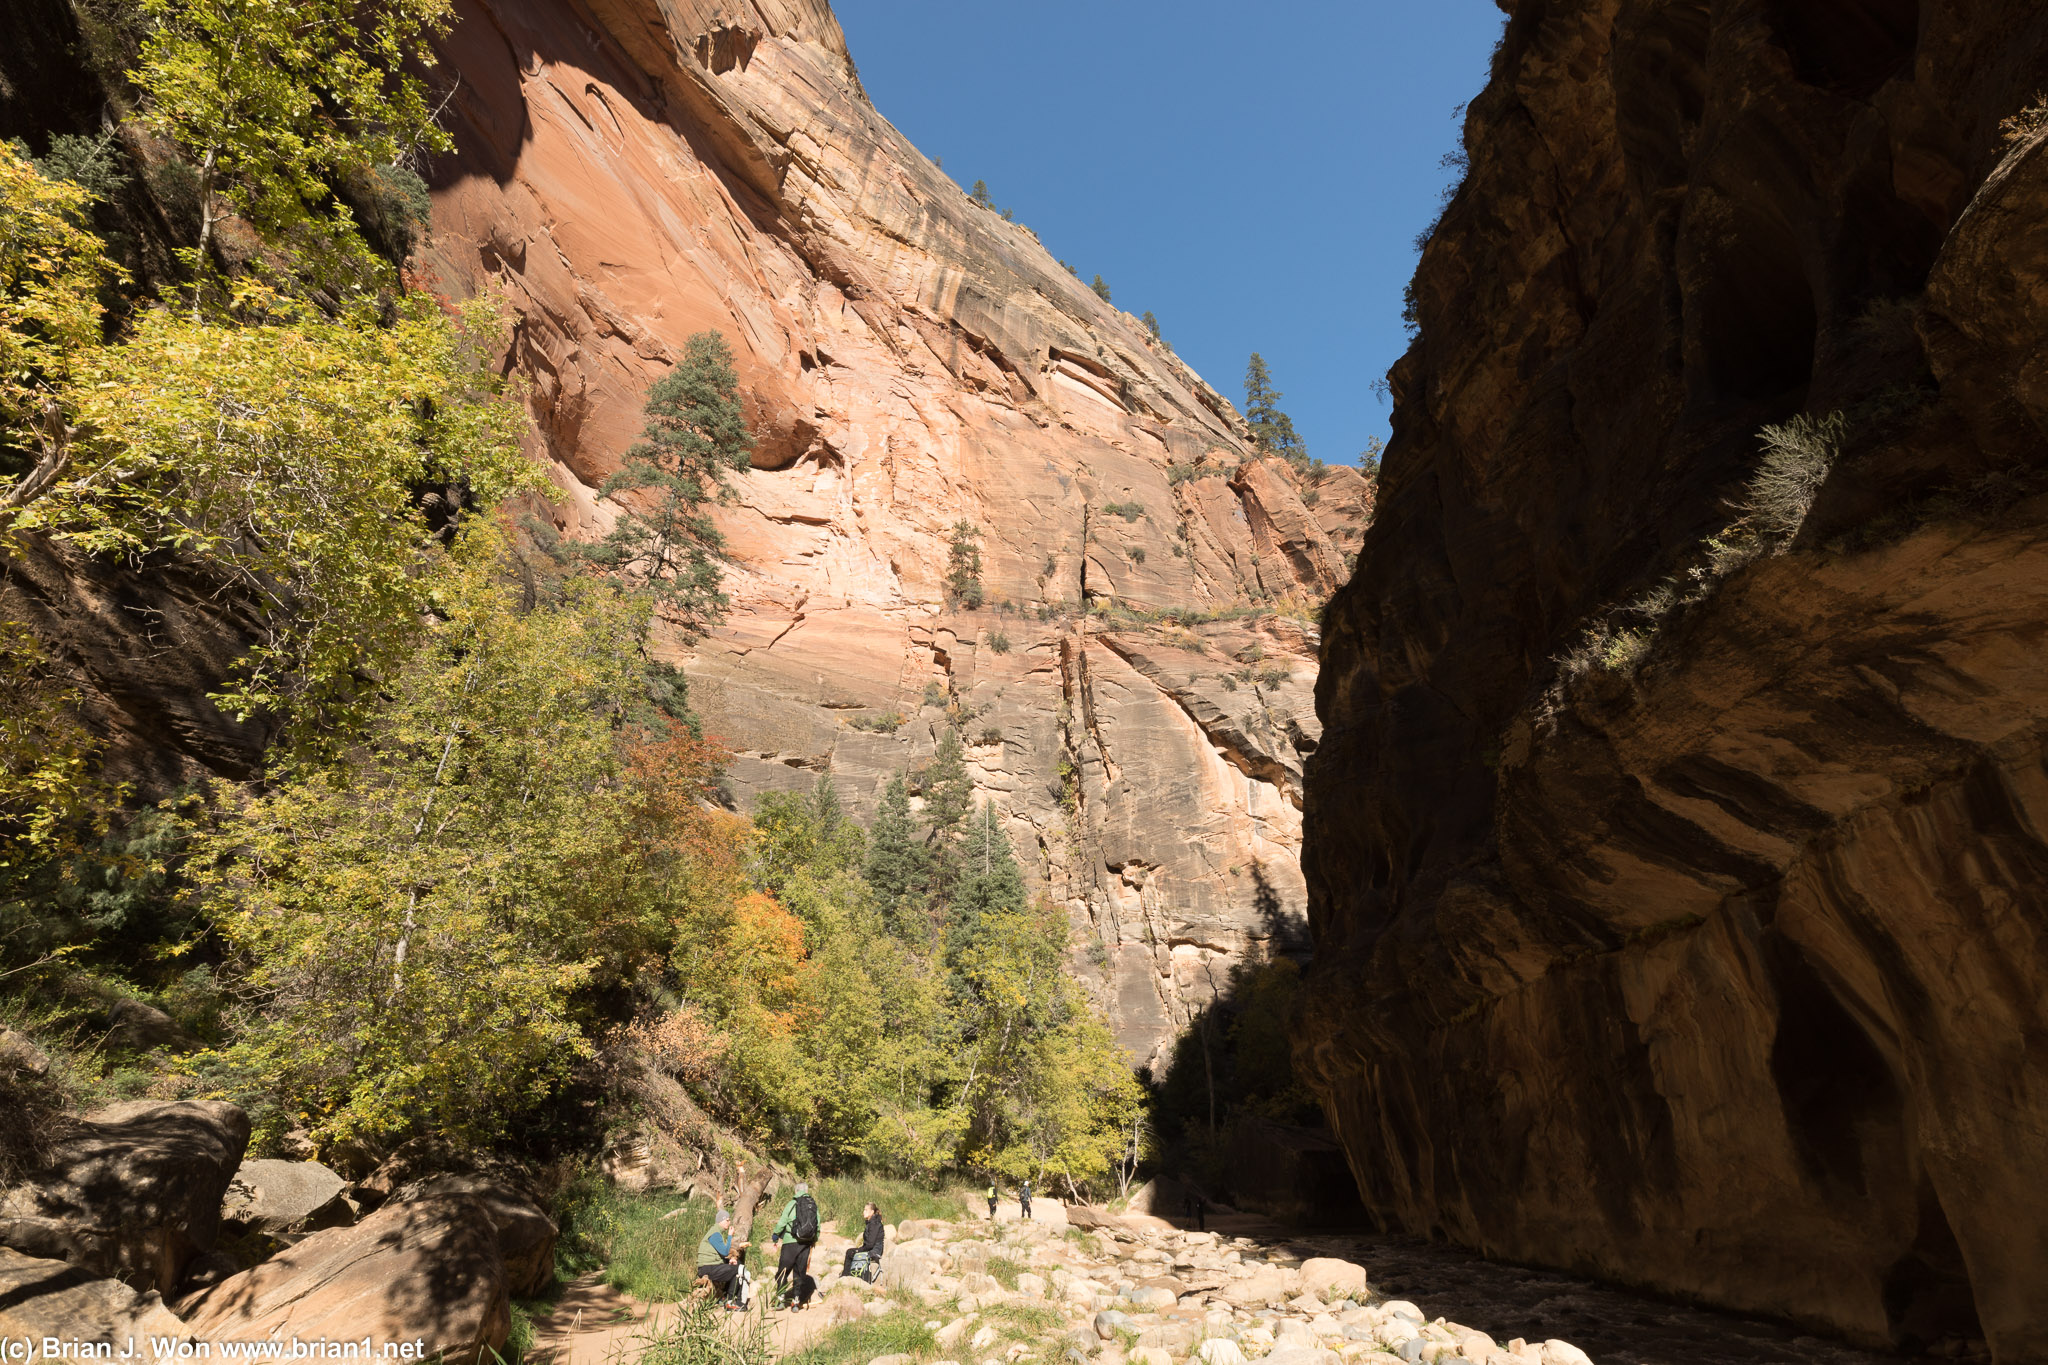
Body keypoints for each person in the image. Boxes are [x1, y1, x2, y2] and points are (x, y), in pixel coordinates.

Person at [769, 1181, 820, 1309]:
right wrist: (814, 1239)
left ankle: (780, 1299)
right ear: (806, 1191)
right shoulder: (812, 1205)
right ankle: (796, 1302)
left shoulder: (792, 1204)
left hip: (790, 1242)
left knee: (783, 1271)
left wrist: (775, 1235)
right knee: (799, 1272)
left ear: (796, 1191)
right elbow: (817, 1225)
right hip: (806, 1244)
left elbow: (782, 1222)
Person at [695, 1208, 748, 1307]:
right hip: (707, 1268)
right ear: (720, 1221)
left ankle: (726, 1297)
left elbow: (720, 1253)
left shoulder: (716, 1232)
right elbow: (724, 1252)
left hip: (710, 1266)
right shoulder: (715, 1234)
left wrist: (730, 1259)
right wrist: (729, 1236)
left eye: (729, 1220)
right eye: (727, 1220)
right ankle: (730, 1301)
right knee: (738, 1269)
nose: (729, 1222)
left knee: (737, 1265)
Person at [842, 1201, 884, 1280]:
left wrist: (860, 1249)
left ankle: (845, 1278)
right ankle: (847, 1275)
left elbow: (870, 1244)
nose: (863, 1212)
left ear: (872, 1212)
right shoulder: (871, 1222)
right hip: (872, 1249)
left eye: (866, 1210)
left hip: (875, 1251)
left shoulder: (874, 1223)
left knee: (850, 1252)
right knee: (851, 1252)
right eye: (864, 1210)